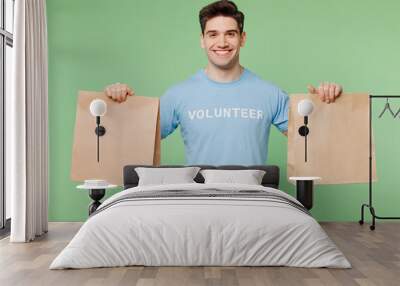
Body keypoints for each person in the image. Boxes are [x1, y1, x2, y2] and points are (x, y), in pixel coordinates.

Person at [104, 0, 342, 165]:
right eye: (213, 34)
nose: (222, 42)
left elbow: (313, 138)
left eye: (230, 33)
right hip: (199, 202)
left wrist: (326, 102)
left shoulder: (270, 93)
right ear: (202, 40)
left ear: (242, 38)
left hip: (254, 202)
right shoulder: (178, 95)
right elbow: (137, 138)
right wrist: (119, 103)